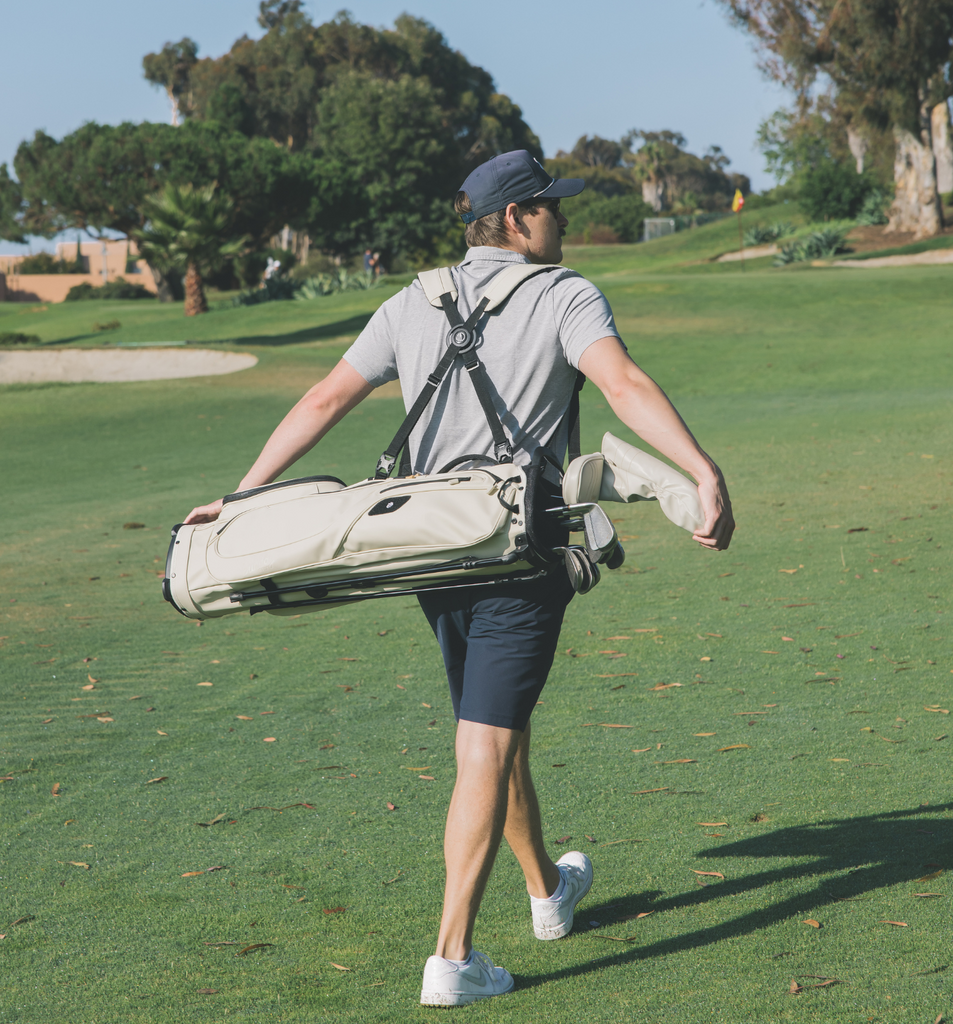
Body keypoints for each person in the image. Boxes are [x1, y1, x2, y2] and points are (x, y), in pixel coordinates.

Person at [183, 149, 734, 1007]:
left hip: (430, 557)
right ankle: (452, 958)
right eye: (551, 209)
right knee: (486, 742)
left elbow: (327, 398)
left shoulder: (412, 299)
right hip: (521, 553)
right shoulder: (565, 293)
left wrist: (242, 495)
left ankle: (549, 892)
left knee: (494, 725)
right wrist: (700, 471)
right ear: (516, 220)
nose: (563, 222)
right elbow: (621, 383)